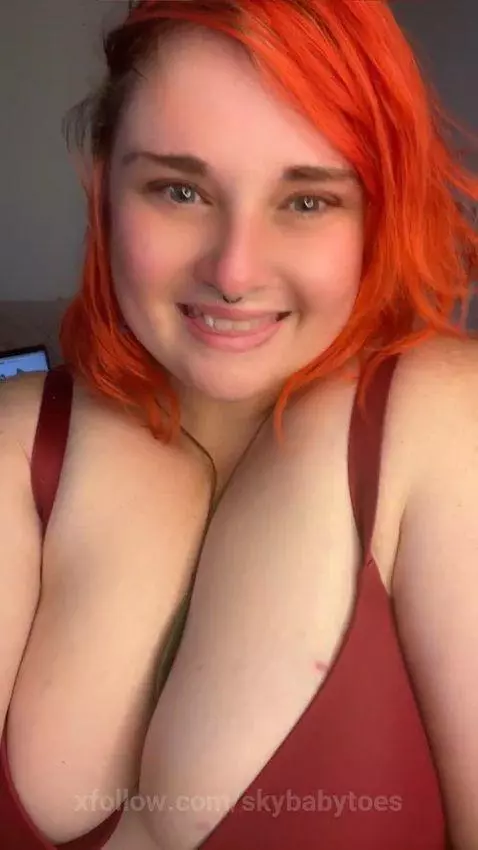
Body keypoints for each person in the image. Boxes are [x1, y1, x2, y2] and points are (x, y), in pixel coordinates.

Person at [1, 1, 477, 848]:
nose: (234, 270)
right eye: (179, 190)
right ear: (103, 188)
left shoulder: (443, 423)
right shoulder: (15, 443)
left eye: (307, 200)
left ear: (378, 210)